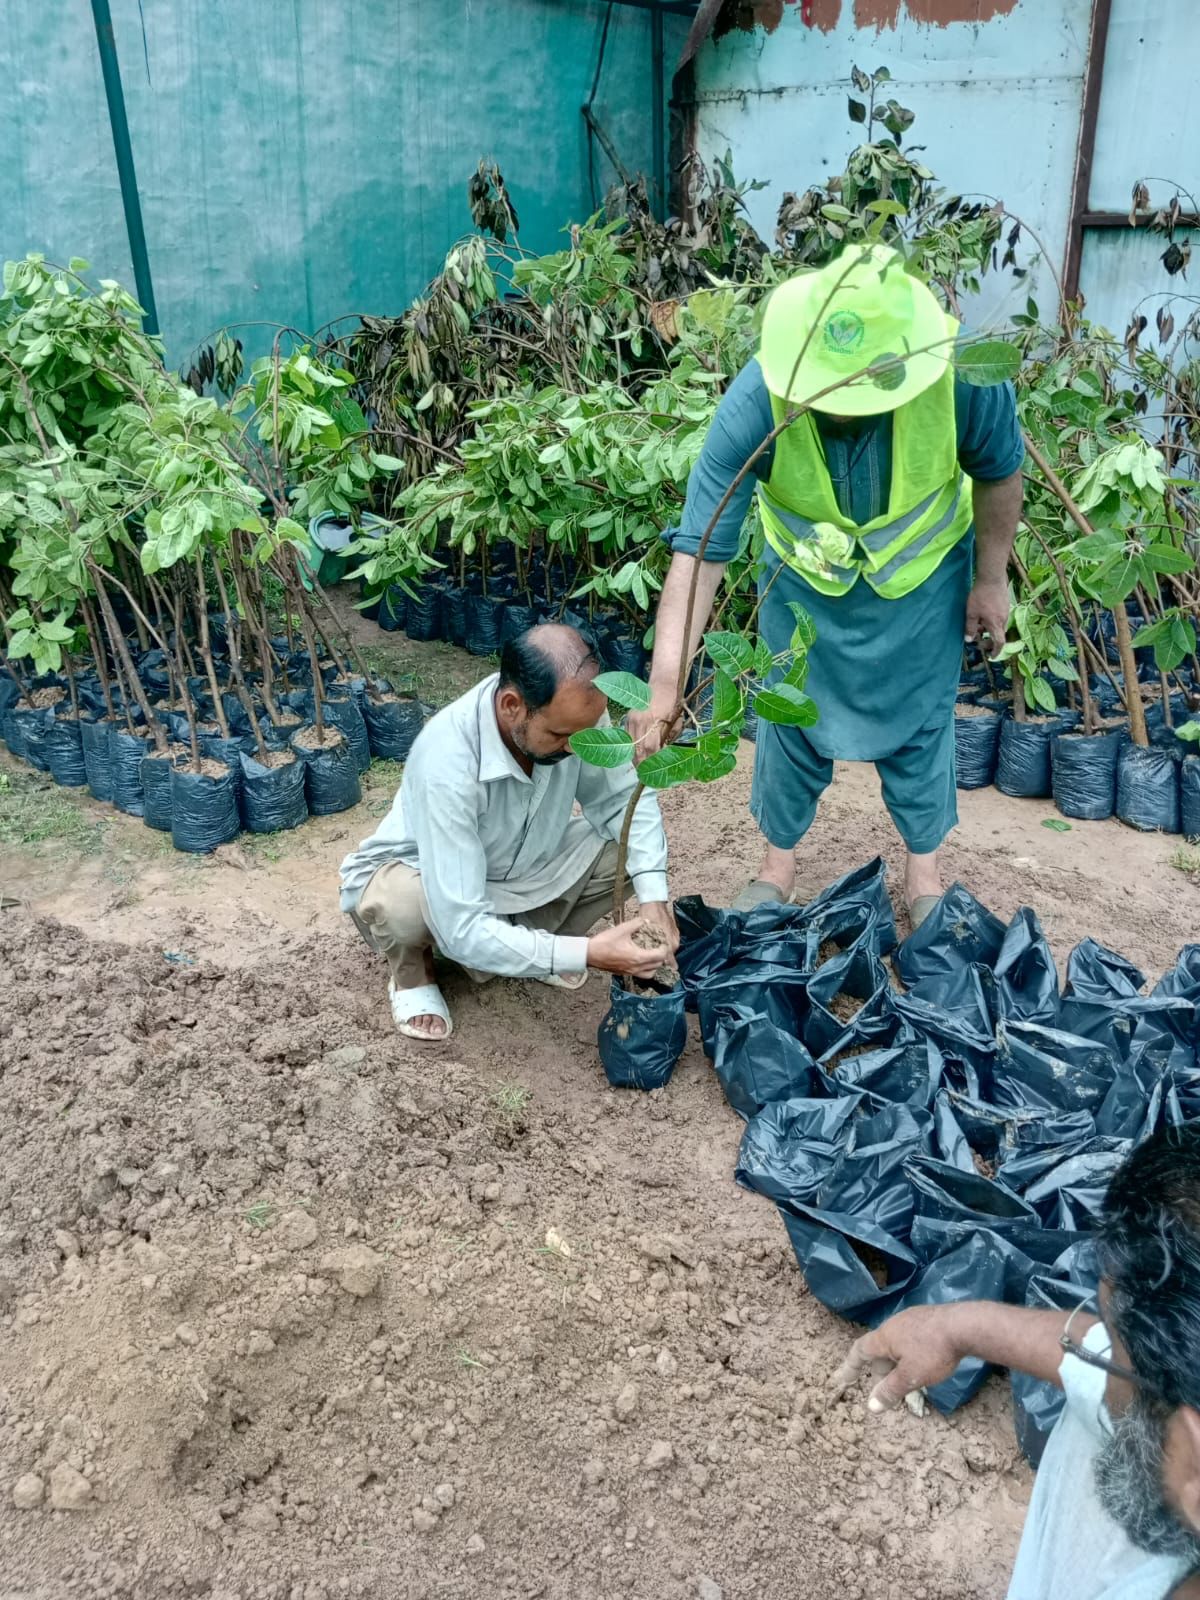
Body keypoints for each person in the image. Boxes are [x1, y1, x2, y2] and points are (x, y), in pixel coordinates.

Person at [627, 242, 1025, 926]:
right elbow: (699, 552)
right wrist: (665, 684)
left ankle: (924, 874)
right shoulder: (758, 400)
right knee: (788, 718)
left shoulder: (961, 377)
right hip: (804, 588)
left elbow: (1000, 471)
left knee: (924, 721)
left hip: (921, 586)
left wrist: (991, 580)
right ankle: (775, 868)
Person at [834, 1122, 1200, 1599]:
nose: (1093, 1354)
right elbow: (1100, 1357)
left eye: (1113, 1353)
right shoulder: (1168, 1400)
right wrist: (956, 1328)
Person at [338, 623, 679, 1041]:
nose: (577, 748)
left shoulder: (576, 717)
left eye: (586, 734)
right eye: (561, 736)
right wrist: (589, 953)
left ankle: (535, 947)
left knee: (627, 851)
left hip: (517, 869)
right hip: (434, 881)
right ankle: (413, 976)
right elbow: (460, 927)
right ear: (512, 705)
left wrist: (654, 902)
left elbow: (623, 799)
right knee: (402, 906)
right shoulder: (447, 762)